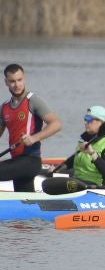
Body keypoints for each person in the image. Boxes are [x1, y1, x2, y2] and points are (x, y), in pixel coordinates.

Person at [2, 63, 64, 193]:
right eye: (12, 81)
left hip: (30, 160)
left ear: (24, 79)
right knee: (25, 200)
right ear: (6, 82)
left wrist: (34, 138)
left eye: (19, 80)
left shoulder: (33, 101)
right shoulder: (5, 107)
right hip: (17, 162)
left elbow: (57, 123)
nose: (17, 85)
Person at [59, 106, 105, 190]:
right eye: (85, 118)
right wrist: (57, 169)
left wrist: (92, 153)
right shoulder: (84, 140)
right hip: (79, 182)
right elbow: (74, 159)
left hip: (98, 186)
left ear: (101, 122)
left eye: (89, 119)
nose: (86, 122)